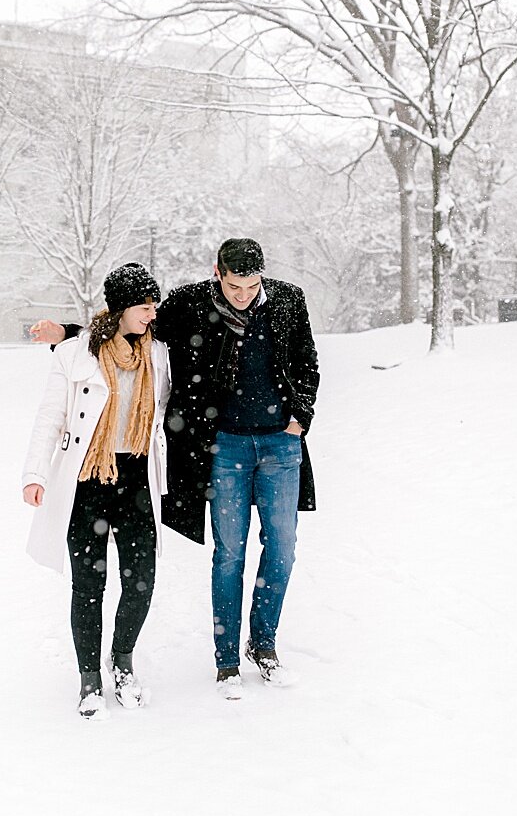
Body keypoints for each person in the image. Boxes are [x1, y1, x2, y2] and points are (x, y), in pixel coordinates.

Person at [30, 239, 320, 699]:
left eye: (251, 285)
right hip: (222, 446)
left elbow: (307, 361)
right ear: (218, 274)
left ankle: (261, 645)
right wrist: (67, 331)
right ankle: (223, 661)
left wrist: (300, 416)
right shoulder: (192, 302)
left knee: (282, 548)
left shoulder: (287, 300)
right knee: (228, 553)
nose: (242, 294)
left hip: (280, 445)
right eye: (234, 285)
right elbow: (122, 324)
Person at [21, 263, 172, 719]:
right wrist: (36, 474)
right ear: (122, 308)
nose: (151, 314)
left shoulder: (160, 353)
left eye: (153, 306)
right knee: (90, 584)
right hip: (88, 479)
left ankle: (121, 659)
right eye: (143, 307)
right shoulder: (76, 353)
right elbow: (50, 417)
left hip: (137, 477)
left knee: (140, 580)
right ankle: (90, 676)